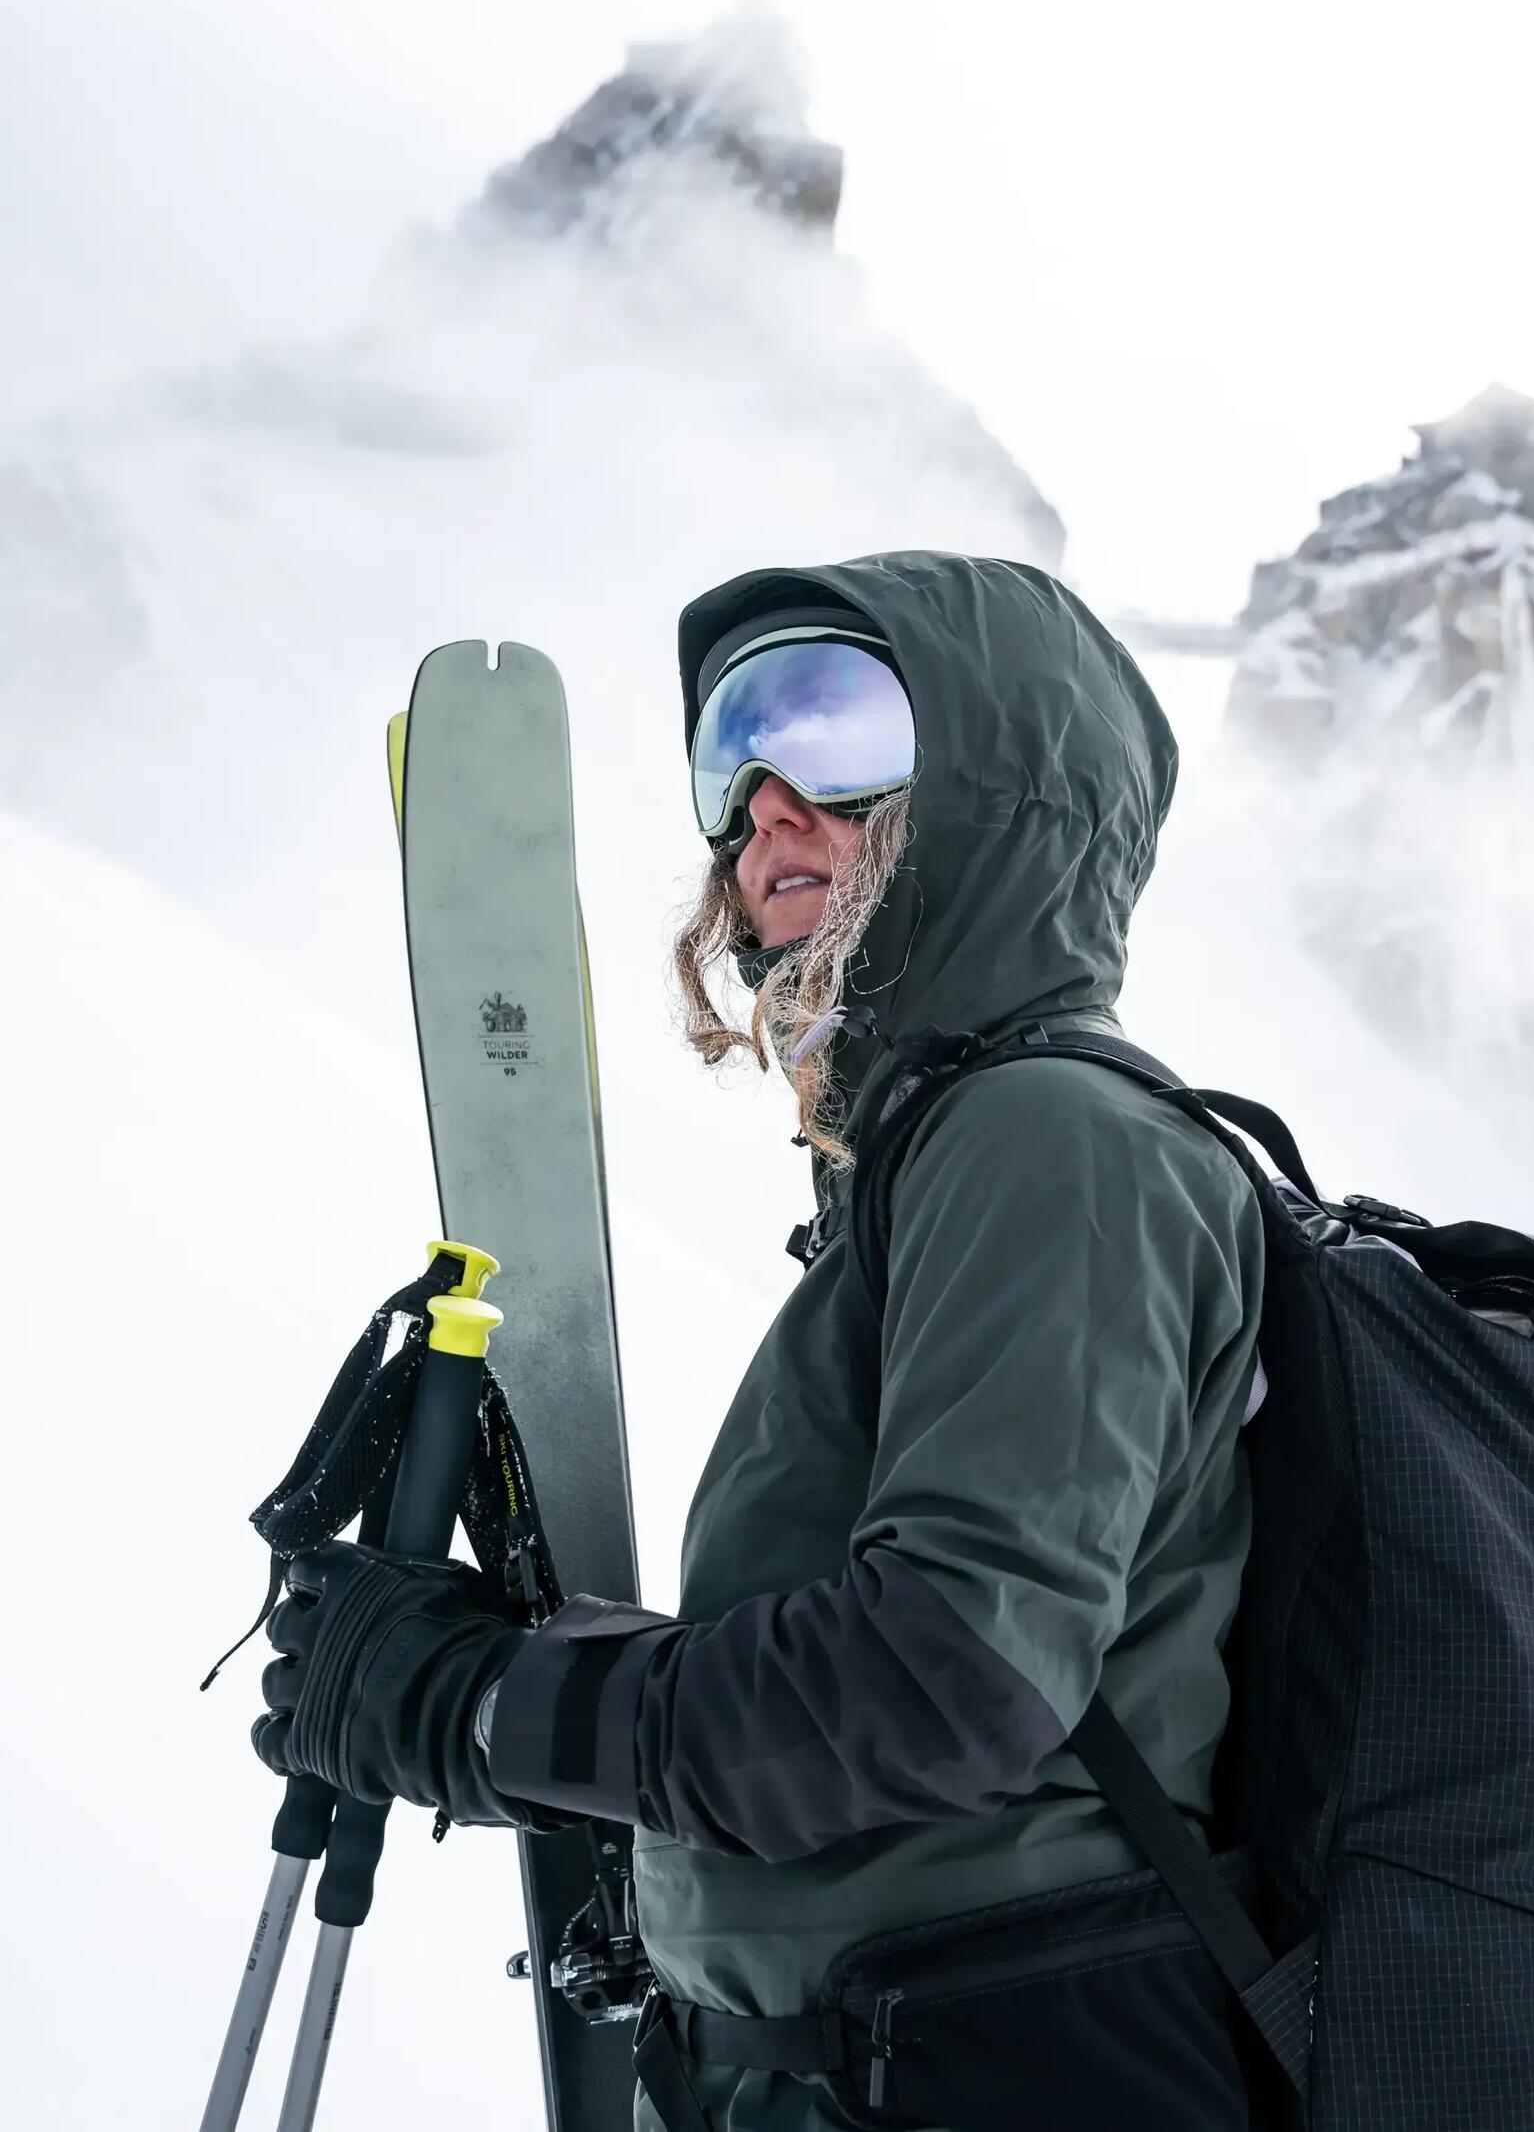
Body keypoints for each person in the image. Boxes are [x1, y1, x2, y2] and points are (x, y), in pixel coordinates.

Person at [254, 552, 1267, 2130]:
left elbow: (944, 1686)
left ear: (1006, 784)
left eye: (839, 729)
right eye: (737, 752)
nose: (767, 805)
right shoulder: (937, 1161)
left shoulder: (1054, 1141)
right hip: (877, 2061)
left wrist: (480, 1708)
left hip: (997, 2071)